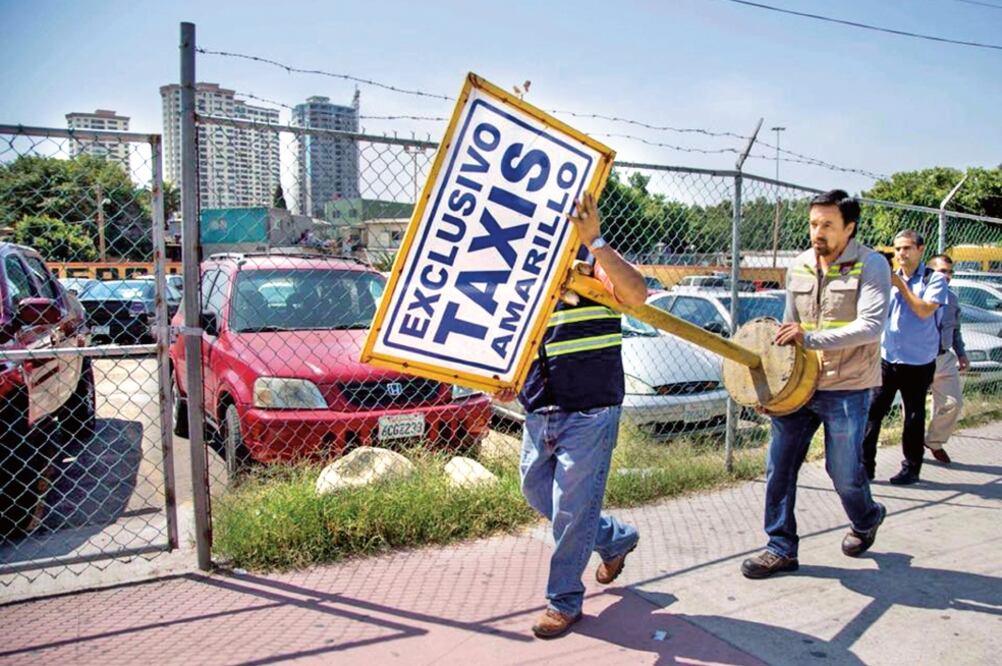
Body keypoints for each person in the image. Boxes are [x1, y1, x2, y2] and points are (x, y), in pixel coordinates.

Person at [500, 192, 647, 639]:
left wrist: (595, 239)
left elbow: (637, 295)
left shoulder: (591, 259)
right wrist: (506, 377)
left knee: (570, 511)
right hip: (540, 406)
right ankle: (614, 538)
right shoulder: (518, 274)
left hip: (590, 409)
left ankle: (563, 600)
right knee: (535, 490)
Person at [741, 189, 890, 580]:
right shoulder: (800, 265)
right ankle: (780, 547)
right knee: (779, 468)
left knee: (843, 473)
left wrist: (811, 337)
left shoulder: (871, 265)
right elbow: (786, 331)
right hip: (799, 386)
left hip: (848, 386)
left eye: (827, 225)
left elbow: (871, 326)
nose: (817, 233)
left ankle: (867, 517)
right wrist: (771, 390)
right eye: (813, 224)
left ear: (849, 227)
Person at [862, 230, 949, 485]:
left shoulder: (934, 280)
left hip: (918, 361)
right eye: (897, 249)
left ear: (920, 250)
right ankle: (865, 467)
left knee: (913, 415)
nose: (901, 254)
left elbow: (923, 311)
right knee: (872, 411)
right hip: (888, 357)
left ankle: (911, 468)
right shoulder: (886, 278)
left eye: (907, 248)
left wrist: (900, 286)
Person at [925, 254, 969, 464]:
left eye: (950, 272)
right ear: (930, 272)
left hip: (944, 358)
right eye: (943, 271)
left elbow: (955, 330)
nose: (947, 276)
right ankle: (911, 451)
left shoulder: (952, 299)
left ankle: (933, 441)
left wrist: (961, 354)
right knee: (912, 410)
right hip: (919, 359)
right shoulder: (919, 294)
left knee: (954, 403)